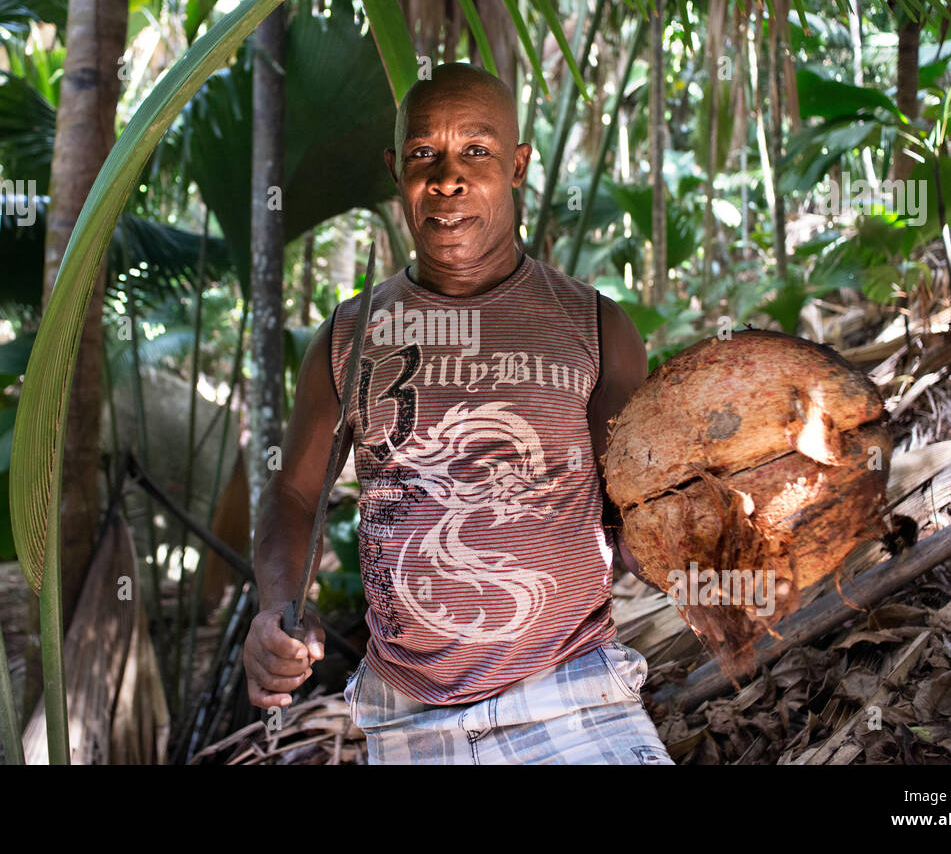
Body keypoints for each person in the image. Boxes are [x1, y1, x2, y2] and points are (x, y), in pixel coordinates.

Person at [245, 62, 673, 764]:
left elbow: (637, 509)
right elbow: (294, 494)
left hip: (573, 693)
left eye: (477, 149)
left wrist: (686, 553)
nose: (448, 177)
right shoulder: (349, 339)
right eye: (424, 153)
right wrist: (279, 605)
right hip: (407, 711)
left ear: (518, 166)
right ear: (397, 170)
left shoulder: (597, 328)